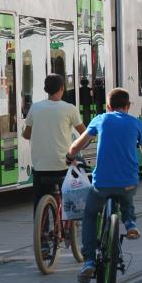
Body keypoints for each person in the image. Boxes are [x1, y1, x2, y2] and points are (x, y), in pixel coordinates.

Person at [68, 87, 142, 283]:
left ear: (108, 107)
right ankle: (130, 223)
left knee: (91, 214)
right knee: (127, 196)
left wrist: (70, 156)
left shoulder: (101, 119)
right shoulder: (137, 124)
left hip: (101, 184)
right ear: (128, 106)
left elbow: (77, 146)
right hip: (128, 182)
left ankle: (90, 262)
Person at [22, 73, 86, 213]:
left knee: (39, 199)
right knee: (71, 192)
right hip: (63, 165)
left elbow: (26, 135)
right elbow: (85, 134)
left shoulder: (35, 107)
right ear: (62, 88)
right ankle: (68, 224)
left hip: (40, 167)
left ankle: (41, 229)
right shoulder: (70, 108)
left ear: (46, 89)